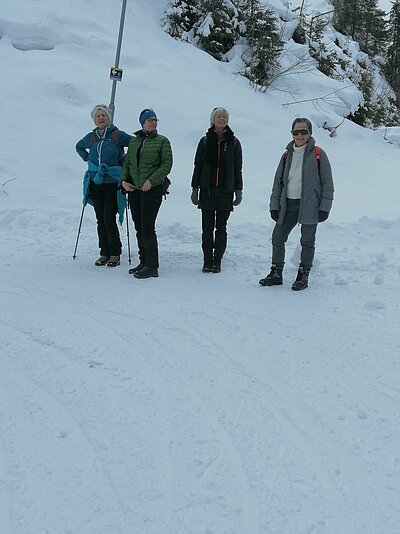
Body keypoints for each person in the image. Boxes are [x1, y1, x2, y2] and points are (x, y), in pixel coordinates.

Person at [259, 117, 334, 291]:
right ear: (292, 133)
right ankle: (276, 272)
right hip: (288, 205)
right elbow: (278, 183)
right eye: (296, 132)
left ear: (310, 133)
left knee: (307, 241)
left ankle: (303, 274)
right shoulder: (287, 155)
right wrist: (274, 205)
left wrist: (324, 208)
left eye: (303, 132)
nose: (299, 135)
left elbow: (327, 184)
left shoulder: (318, 154)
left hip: (310, 205)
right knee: (278, 237)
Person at [120, 109, 173, 279]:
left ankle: (152, 265)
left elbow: (166, 165)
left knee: (148, 226)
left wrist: (151, 181)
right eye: (150, 119)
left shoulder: (162, 141)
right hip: (135, 190)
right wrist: (123, 181)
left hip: (152, 190)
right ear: (142, 122)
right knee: (139, 226)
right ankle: (143, 261)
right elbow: (127, 163)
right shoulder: (134, 141)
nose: (153, 122)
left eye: (155, 119)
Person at [76, 104, 131, 267]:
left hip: (113, 182)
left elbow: (134, 143)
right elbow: (78, 147)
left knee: (108, 217)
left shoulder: (116, 134)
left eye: (104, 115)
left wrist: (124, 160)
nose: (101, 118)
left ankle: (115, 253)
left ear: (108, 118)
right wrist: (88, 160)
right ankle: (104, 253)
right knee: (100, 219)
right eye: (98, 116)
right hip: (96, 181)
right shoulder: (91, 137)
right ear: (94, 120)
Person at [191, 107, 243, 273]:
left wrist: (238, 190)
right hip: (208, 191)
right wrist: (195, 188)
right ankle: (207, 260)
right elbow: (197, 166)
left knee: (221, 227)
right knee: (207, 228)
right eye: (218, 116)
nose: (221, 119)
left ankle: (217, 260)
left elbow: (238, 168)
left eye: (224, 117)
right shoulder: (205, 141)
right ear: (213, 119)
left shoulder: (234, 142)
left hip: (225, 192)